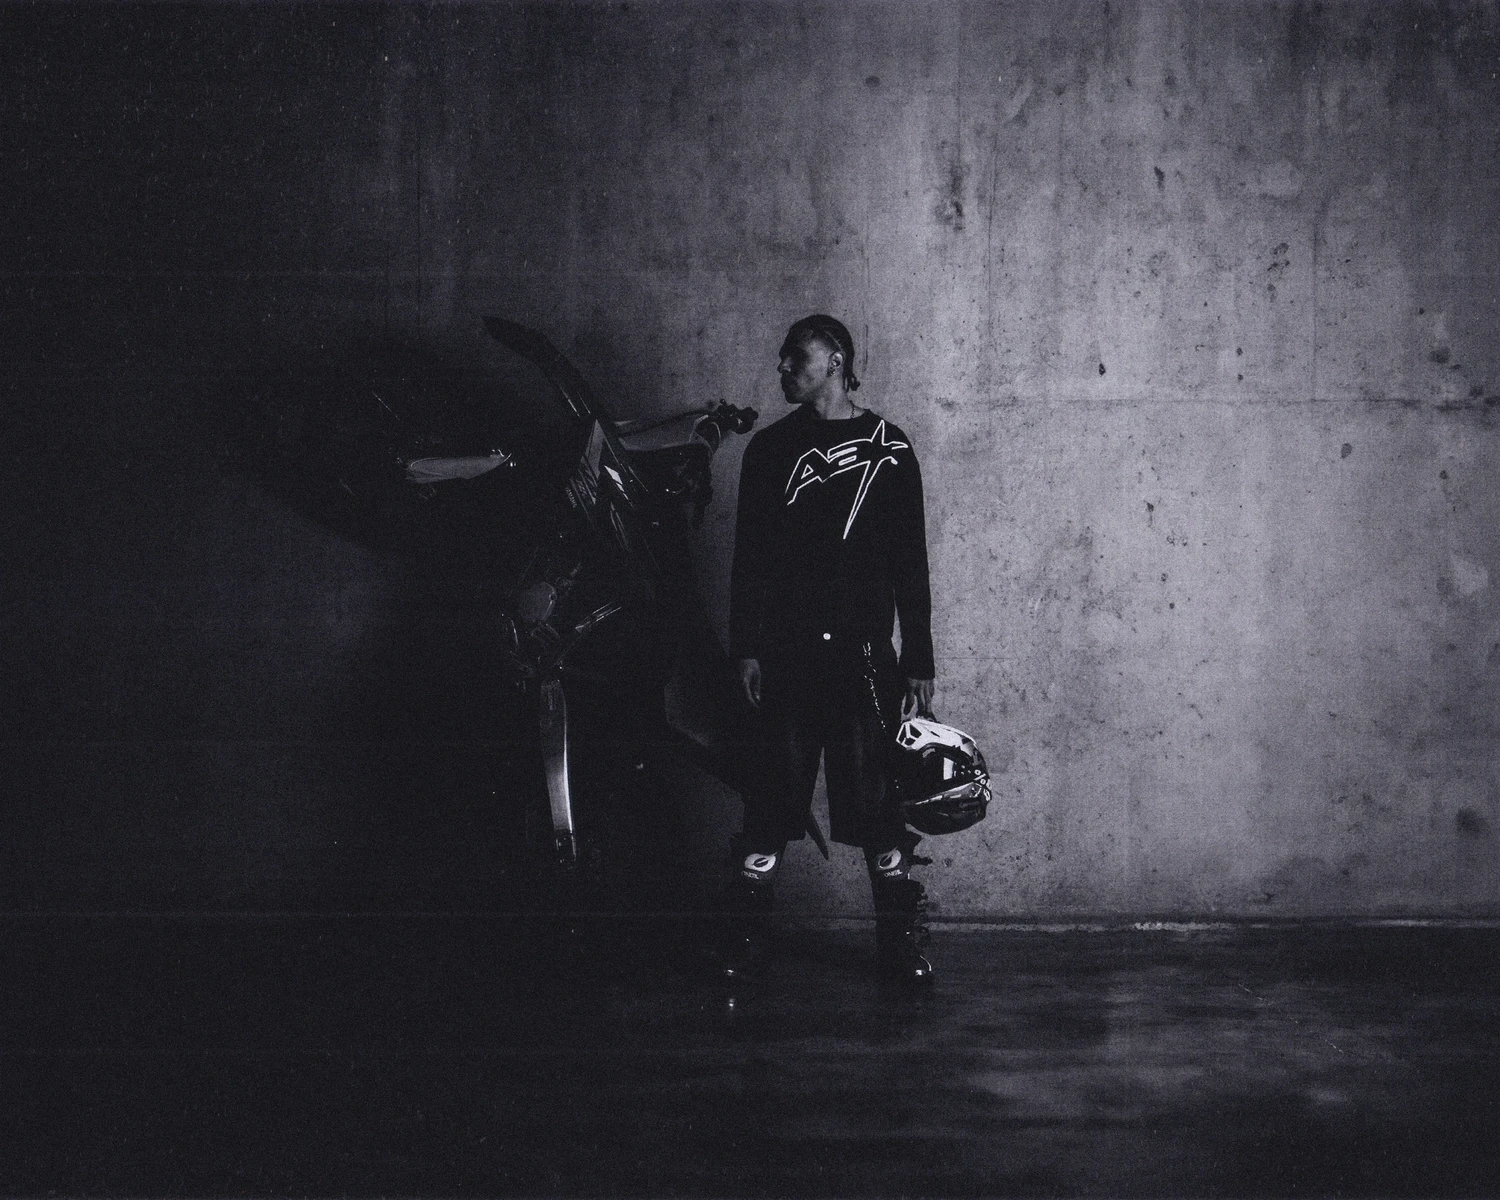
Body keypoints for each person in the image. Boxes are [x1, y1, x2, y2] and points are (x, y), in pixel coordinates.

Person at [717, 314, 937, 983]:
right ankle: (745, 937)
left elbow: (910, 560)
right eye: (783, 358)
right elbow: (749, 561)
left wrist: (919, 656)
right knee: (769, 799)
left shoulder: (889, 448)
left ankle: (897, 943)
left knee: (879, 805)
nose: (784, 367)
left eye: (797, 356)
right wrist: (747, 647)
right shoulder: (769, 450)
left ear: (836, 359)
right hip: (786, 656)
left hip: (865, 659)